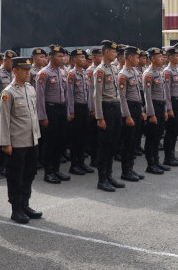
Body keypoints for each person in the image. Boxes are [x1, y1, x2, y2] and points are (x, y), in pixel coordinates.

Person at [0, 57, 43, 224]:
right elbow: (4, 120)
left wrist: (37, 136)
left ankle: (25, 204)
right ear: (15, 71)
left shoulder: (30, 89)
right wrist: (5, 143)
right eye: (24, 69)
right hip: (16, 143)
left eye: (29, 69)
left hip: (31, 140)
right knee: (15, 176)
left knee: (29, 174)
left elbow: (33, 114)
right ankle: (16, 208)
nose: (28, 72)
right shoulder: (8, 92)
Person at [93, 40, 124, 192]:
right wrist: (100, 117)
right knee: (104, 145)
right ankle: (102, 178)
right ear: (106, 52)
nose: (115, 54)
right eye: (113, 52)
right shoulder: (100, 71)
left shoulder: (114, 68)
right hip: (106, 108)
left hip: (116, 107)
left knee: (113, 144)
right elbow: (97, 96)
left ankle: (109, 175)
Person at [36, 44, 70, 184]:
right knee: (49, 143)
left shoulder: (62, 72)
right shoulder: (44, 73)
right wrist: (43, 116)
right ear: (51, 57)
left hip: (61, 109)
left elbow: (67, 94)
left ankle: (56, 169)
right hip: (50, 110)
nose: (63, 59)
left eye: (63, 56)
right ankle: (48, 172)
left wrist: (67, 111)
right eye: (60, 56)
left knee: (59, 141)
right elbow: (39, 97)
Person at [118, 46, 146, 181]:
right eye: (136, 57)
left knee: (134, 141)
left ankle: (131, 168)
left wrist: (141, 111)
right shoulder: (123, 75)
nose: (138, 59)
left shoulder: (134, 72)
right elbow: (122, 97)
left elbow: (137, 95)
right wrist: (127, 116)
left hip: (136, 108)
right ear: (129, 57)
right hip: (128, 109)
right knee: (128, 141)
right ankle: (125, 171)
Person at [142, 47, 170, 174]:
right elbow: (147, 96)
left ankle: (157, 161)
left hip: (160, 106)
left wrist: (164, 110)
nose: (161, 58)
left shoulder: (159, 72)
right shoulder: (148, 74)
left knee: (158, 136)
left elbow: (164, 93)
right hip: (153, 106)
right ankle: (150, 164)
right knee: (151, 137)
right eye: (159, 57)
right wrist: (151, 114)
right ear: (152, 58)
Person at [66, 48, 93, 176]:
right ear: (75, 59)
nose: (84, 59)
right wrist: (70, 111)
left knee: (84, 137)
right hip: (76, 108)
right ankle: (74, 164)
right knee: (76, 138)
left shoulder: (86, 74)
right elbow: (69, 95)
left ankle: (81, 163)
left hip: (84, 108)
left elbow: (89, 93)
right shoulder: (71, 74)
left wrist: (90, 108)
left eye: (84, 57)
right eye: (81, 57)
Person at [163, 46, 178, 164]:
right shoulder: (167, 72)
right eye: (176, 56)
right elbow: (166, 92)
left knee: (175, 131)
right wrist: (169, 108)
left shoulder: (177, 70)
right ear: (170, 57)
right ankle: (168, 157)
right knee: (170, 132)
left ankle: (172, 155)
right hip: (172, 102)